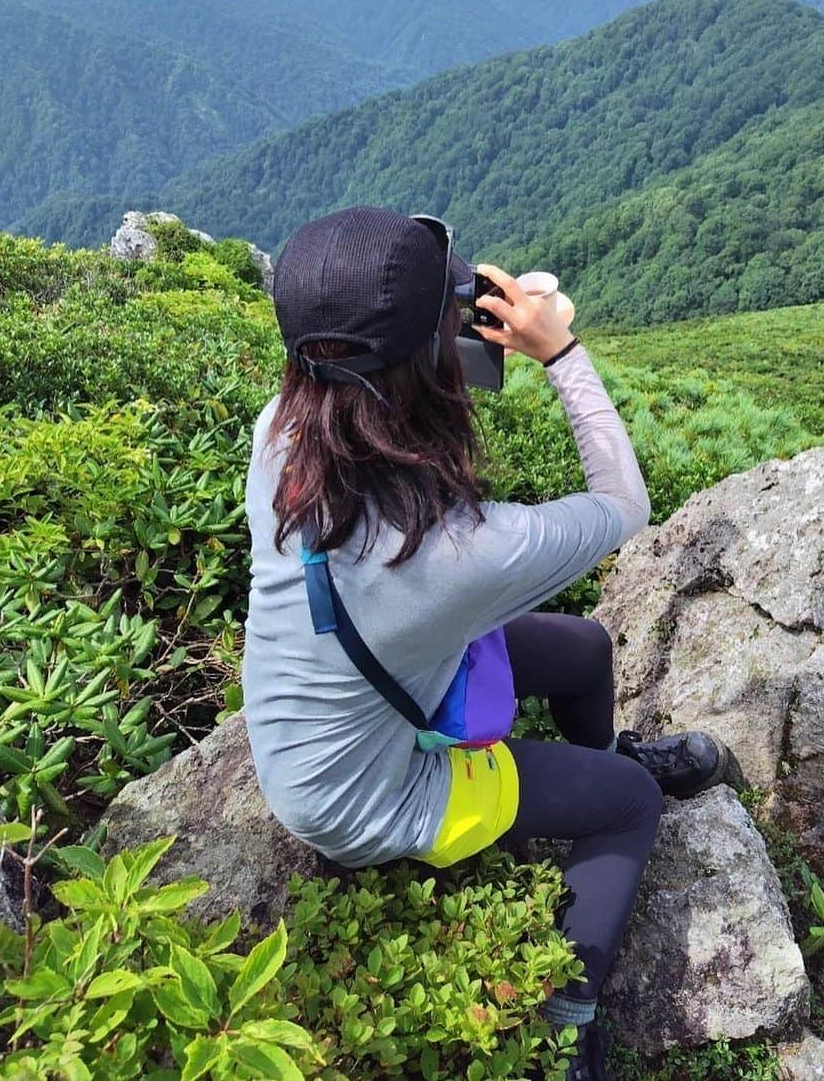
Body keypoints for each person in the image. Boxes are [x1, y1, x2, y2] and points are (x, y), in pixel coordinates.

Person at [242, 206, 742, 1081]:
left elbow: (381, 400)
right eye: (452, 312)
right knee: (629, 801)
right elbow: (625, 504)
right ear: (424, 357)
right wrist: (561, 357)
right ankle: (570, 1017)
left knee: (584, 648)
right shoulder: (465, 554)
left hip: (348, 680)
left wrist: (445, 350)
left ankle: (587, 769)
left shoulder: (286, 429)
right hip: (361, 796)